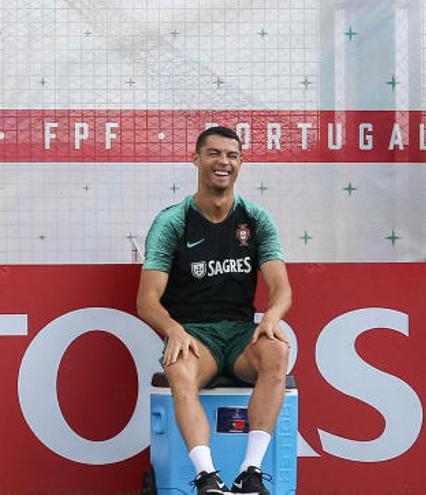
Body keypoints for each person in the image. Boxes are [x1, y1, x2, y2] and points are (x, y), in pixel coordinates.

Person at [137, 126, 291, 494]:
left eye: (232, 156)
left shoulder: (255, 219)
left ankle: (250, 472)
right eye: (214, 154)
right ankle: (207, 477)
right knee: (178, 369)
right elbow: (147, 301)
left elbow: (282, 288)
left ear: (240, 163)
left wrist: (271, 317)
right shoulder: (172, 222)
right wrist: (174, 330)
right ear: (196, 160)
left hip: (240, 335)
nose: (224, 162)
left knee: (278, 351)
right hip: (194, 336)